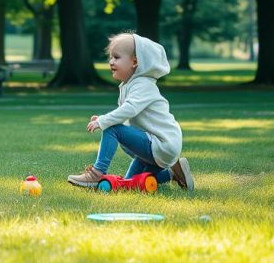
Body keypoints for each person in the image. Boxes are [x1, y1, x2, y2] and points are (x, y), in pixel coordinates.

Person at [67, 32, 194, 191]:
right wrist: (103, 118)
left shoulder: (143, 84)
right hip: (157, 146)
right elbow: (127, 114)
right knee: (129, 184)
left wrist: (104, 121)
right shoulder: (130, 85)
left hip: (161, 143)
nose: (111, 62)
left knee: (111, 128)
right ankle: (172, 173)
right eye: (111, 57)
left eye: (117, 57)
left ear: (135, 62)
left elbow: (129, 109)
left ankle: (97, 173)